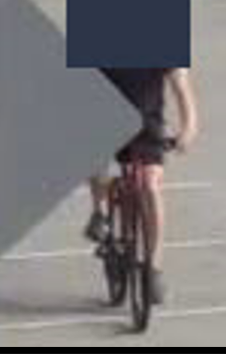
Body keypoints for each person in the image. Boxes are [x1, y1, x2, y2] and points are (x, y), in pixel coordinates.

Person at [86, 66, 199, 308]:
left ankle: (153, 268)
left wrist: (188, 128)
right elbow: (79, 82)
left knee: (150, 184)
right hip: (106, 118)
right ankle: (101, 212)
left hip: (146, 126)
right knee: (94, 153)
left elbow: (181, 88)